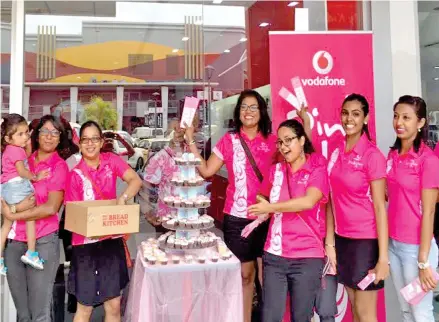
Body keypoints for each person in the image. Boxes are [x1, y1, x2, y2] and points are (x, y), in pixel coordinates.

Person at [184, 89, 277, 322]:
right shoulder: (229, 140)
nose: (248, 111)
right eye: (244, 107)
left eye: (253, 107)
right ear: (238, 112)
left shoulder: (274, 140)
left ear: (261, 111)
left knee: (268, 278)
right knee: (245, 276)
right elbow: (206, 171)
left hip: (268, 218)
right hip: (236, 218)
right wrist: (191, 143)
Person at [248, 119, 328, 322]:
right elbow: (262, 195)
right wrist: (262, 207)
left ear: (302, 140)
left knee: (301, 317)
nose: (283, 147)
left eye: (288, 141)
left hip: (307, 256)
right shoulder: (275, 171)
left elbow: (309, 201)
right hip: (275, 255)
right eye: (280, 142)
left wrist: (271, 208)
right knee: (271, 317)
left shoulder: (316, 169)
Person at [65, 120, 142, 322]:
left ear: (101, 142)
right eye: (85, 140)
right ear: (79, 144)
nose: (90, 144)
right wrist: (95, 223)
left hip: (111, 241)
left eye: (94, 139)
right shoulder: (75, 174)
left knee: (114, 306)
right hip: (85, 246)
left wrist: (123, 199)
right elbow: (74, 215)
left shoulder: (111, 161)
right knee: (85, 308)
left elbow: (135, 180)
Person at [325, 94, 389, 322]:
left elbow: (380, 209)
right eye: (345, 113)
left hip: (366, 243)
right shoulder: (336, 152)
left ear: (365, 118)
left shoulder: (372, 156)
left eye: (355, 114)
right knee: (354, 307)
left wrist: (382, 258)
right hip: (343, 241)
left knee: (365, 313)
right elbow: (331, 199)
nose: (348, 119)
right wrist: (330, 241)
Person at [1, 114, 70, 322]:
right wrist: (12, 209)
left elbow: (50, 208)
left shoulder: (59, 167)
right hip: (14, 243)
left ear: (60, 138)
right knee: (22, 315)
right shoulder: (21, 160)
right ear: (36, 135)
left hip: (42, 243)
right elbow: (5, 191)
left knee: (39, 314)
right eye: (44, 131)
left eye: (55, 132)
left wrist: (13, 213)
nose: (49, 137)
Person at [387, 95, 439, 322]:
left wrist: (424, 261)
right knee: (407, 311)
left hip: (416, 249)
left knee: (421, 314)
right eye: (396, 116)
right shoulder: (392, 155)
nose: (399, 122)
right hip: (394, 246)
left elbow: (429, 212)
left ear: (420, 123)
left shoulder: (427, 160)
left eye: (406, 117)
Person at [1, 114, 49, 275]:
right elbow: (22, 171)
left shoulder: (9, 150)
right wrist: (35, 177)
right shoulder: (17, 151)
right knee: (31, 216)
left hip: (7, 188)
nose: (25, 137)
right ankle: (31, 252)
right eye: (20, 134)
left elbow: (24, 159)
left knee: (6, 226)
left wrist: (26, 143)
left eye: (27, 132)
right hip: (18, 186)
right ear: (8, 138)